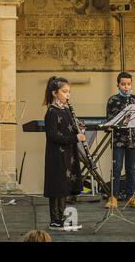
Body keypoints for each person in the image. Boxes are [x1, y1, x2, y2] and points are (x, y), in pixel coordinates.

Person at [43, 76, 83, 231]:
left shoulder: (66, 110)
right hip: (56, 155)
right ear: (55, 93)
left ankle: (61, 218)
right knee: (57, 186)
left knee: (65, 185)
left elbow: (69, 129)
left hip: (68, 153)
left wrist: (78, 128)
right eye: (64, 92)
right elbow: (53, 136)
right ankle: (55, 220)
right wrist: (74, 137)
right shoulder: (52, 112)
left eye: (69, 92)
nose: (68, 95)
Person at [105, 72, 135, 209]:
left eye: (128, 84)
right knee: (116, 168)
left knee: (131, 169)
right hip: (118, 140)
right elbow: (109, 121)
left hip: (132, 140)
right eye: (123, 84)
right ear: (118, 85)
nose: (126, 87)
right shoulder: (113, 100)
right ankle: (113, 197)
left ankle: (130, 197)